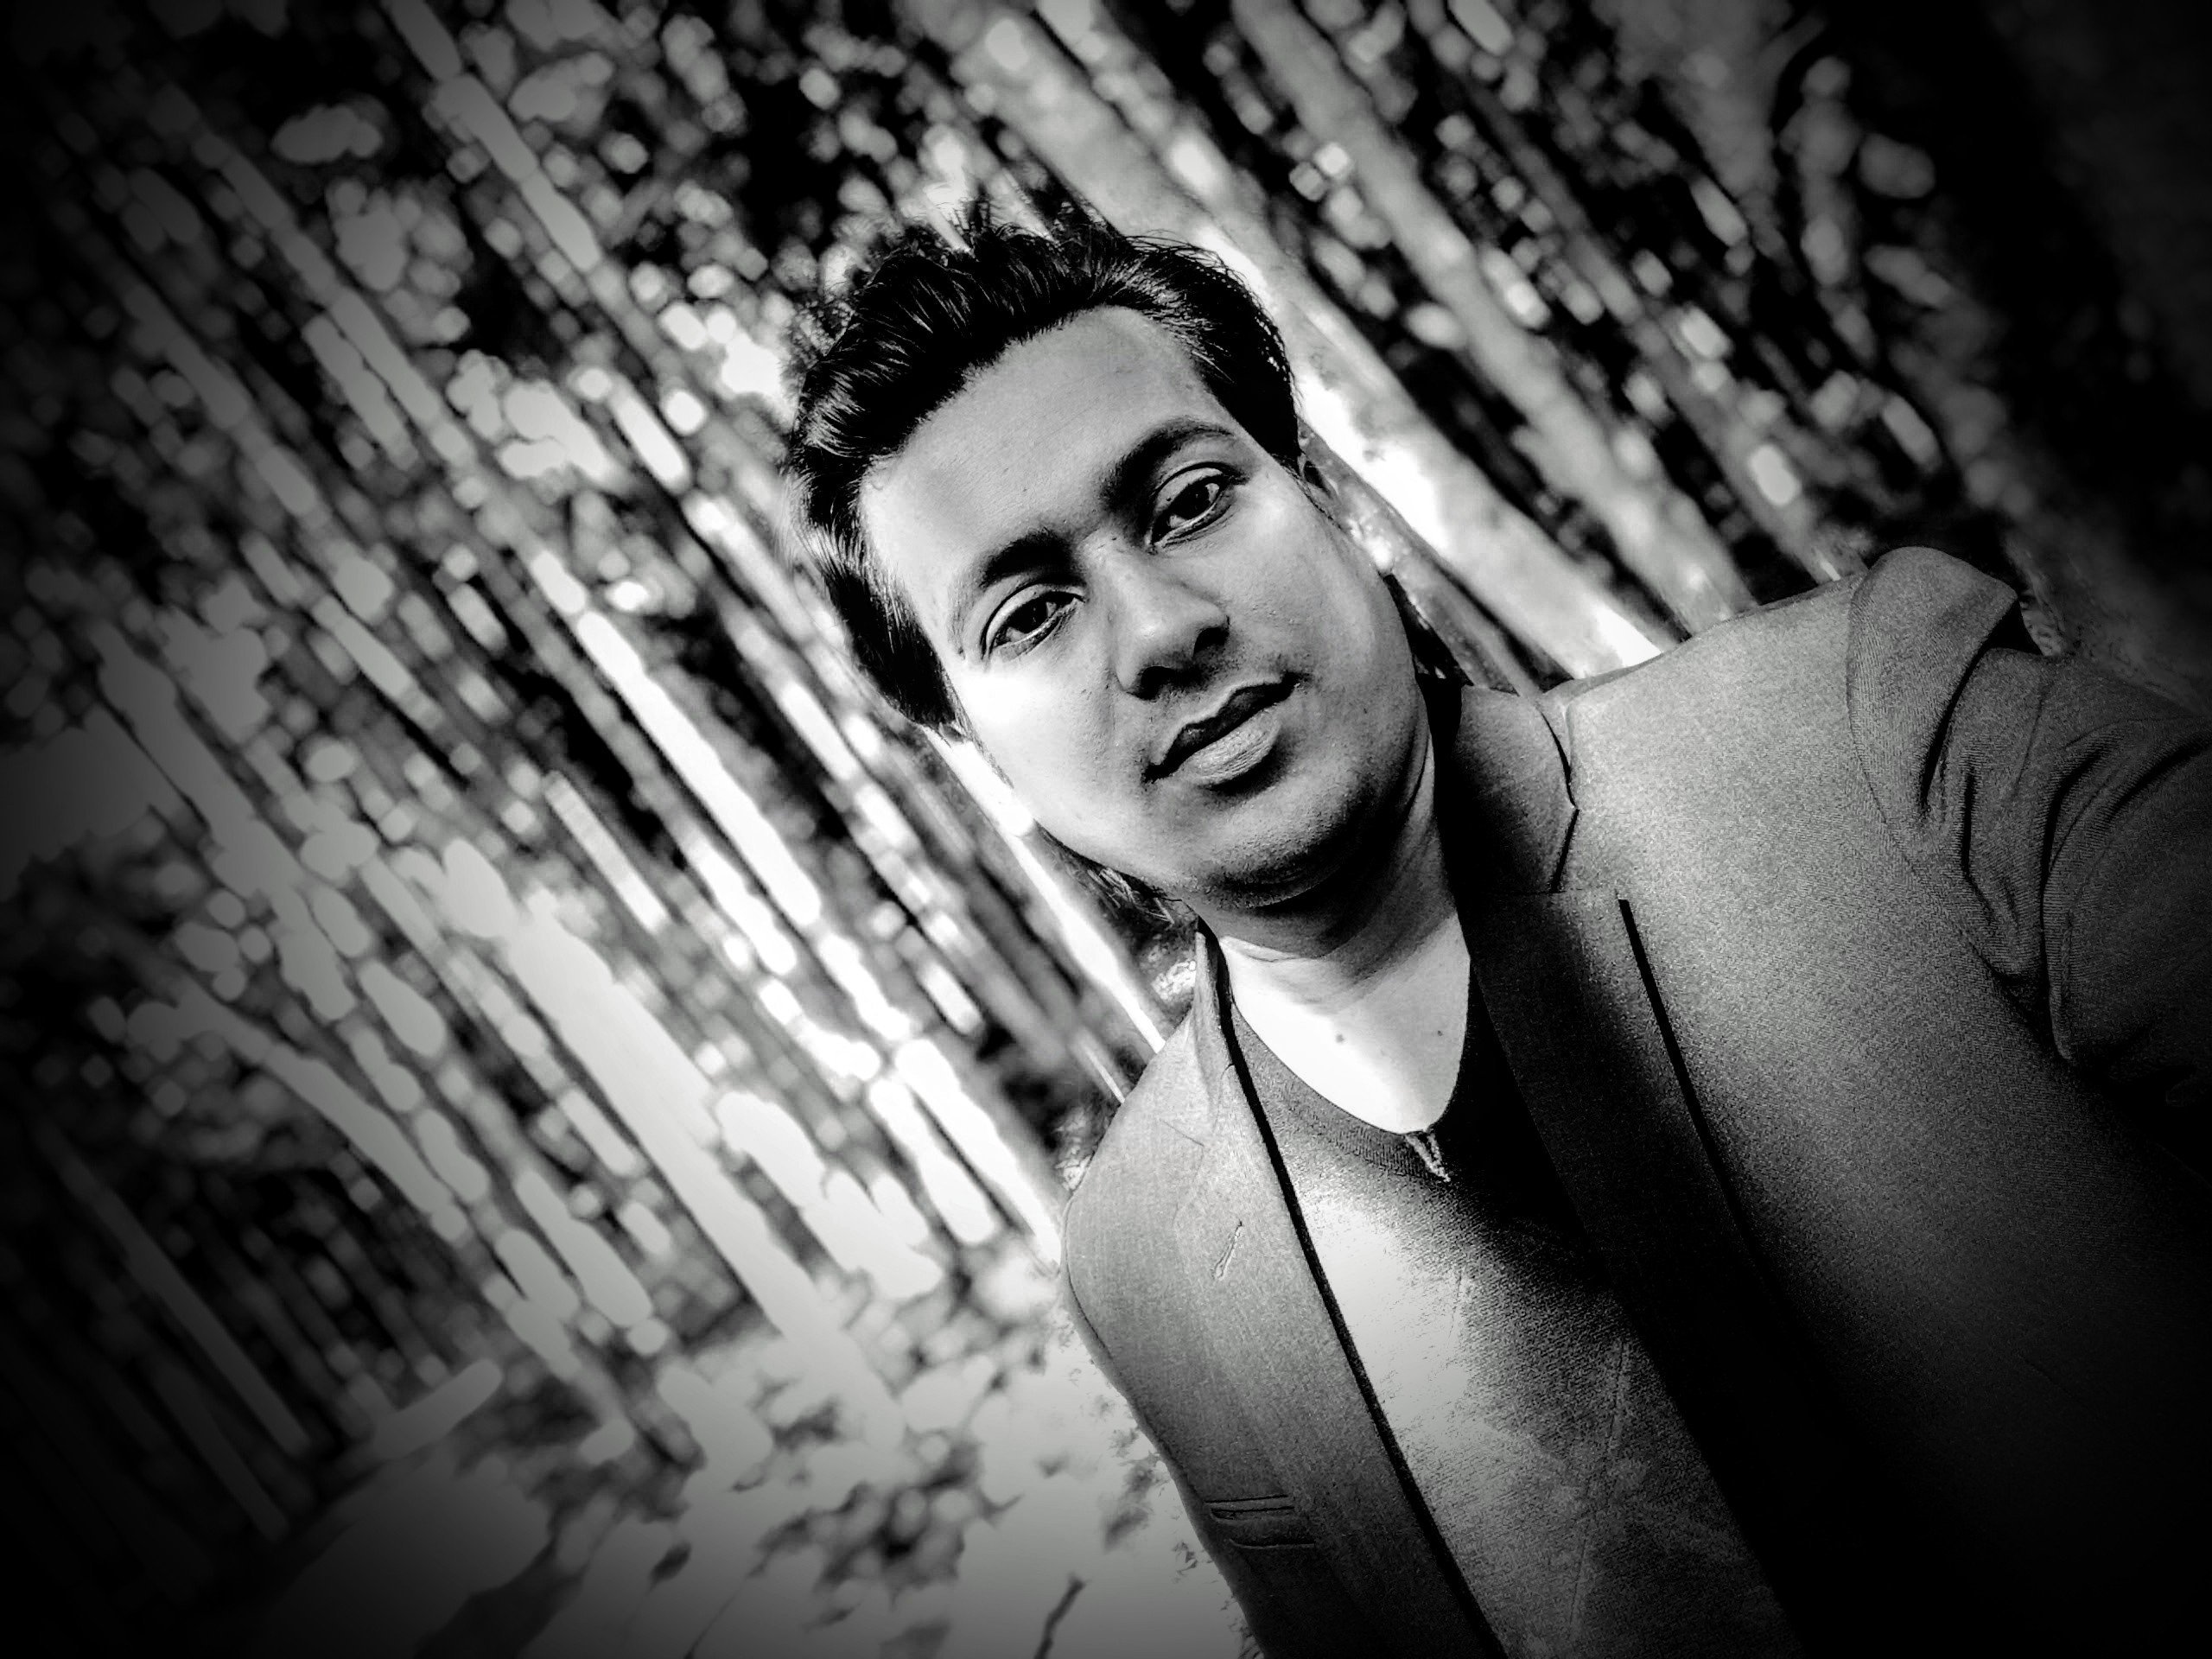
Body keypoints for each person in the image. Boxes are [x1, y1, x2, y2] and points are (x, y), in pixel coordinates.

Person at [783, 207, 2212, 1656]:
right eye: (1029, 616)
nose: (1157, 631)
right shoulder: (1145, 1264)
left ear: (1322, 500)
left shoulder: (1880, 720)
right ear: (970, 748)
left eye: (1192, 501)